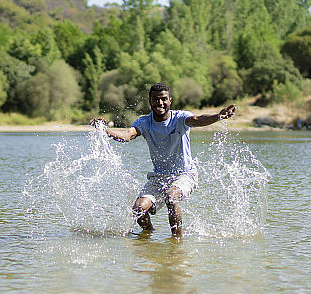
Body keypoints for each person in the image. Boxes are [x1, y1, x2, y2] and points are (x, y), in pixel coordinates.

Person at [91, 82, 236, 237]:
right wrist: (106, 130)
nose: (160, 103)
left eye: (164, 99)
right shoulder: (144, 122)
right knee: (138, 210)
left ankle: (176, 243)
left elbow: (197, 119)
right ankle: (148, 236)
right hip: (159, 177)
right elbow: (127, 135)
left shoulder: (180, 118)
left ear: (170, 101)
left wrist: (218, 116)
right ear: (150, 101)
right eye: (156, 99)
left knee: (171, 197)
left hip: (185, 175)